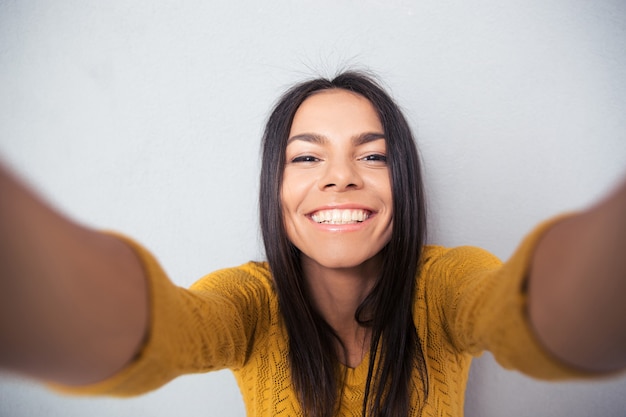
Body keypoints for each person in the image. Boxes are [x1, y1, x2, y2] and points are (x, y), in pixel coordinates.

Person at [0, 71, 625, 417]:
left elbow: (533, 316)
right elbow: (156, 330)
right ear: (276, 189)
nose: (339, 176)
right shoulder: (248, 301)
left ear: (402, 182)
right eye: (306, 157)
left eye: (372, 154)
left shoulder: (445, 285)